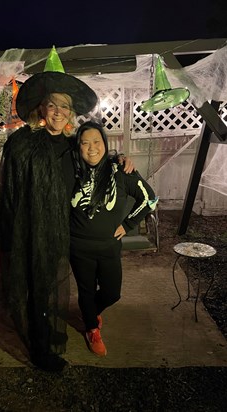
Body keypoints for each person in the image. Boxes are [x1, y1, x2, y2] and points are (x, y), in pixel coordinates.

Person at [0, 47, 135, 372]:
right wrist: (12, 235)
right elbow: (9, 192)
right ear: (42, 107)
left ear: (71, 114)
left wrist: (121, 159)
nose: (57, 111)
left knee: (52, 286)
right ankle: (41, 351)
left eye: (64, 107)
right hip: (30, 231)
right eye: (52, 104)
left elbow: (96, 158)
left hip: (63, 232)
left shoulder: (73, 146)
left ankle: (54, 328)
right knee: (36, 290)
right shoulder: (22, 143)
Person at [69, 120, 158, 357]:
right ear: (78, 147)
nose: (91, 148)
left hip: (109, 246)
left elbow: (150, 199)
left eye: (96, 142)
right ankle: (91, 328)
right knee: (85, 291)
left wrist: (128, 224)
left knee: (112, 293)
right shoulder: (70, 171)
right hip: (78, 247)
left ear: (105, 144)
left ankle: (90, 312)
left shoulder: (120, 171)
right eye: (85, 143)